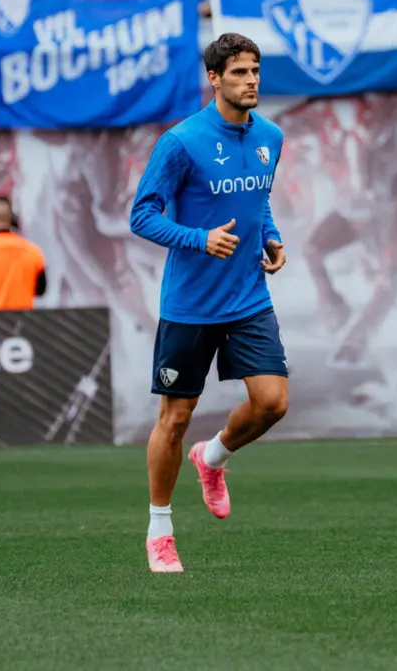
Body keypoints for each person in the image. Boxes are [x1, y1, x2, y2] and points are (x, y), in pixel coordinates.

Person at [129, 33, 290, 574]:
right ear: (215, 79)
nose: (251, 81)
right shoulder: (181, 142)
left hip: (247, 295)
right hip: (191, 304)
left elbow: (257, 198)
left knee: (273, 402)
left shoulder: (270, 135)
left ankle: (213, 457)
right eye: (240, 72)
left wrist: (270, 235)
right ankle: (159, 531)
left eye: (255, 72)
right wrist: (200, 239)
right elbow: (142, 215)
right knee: (174, 419)